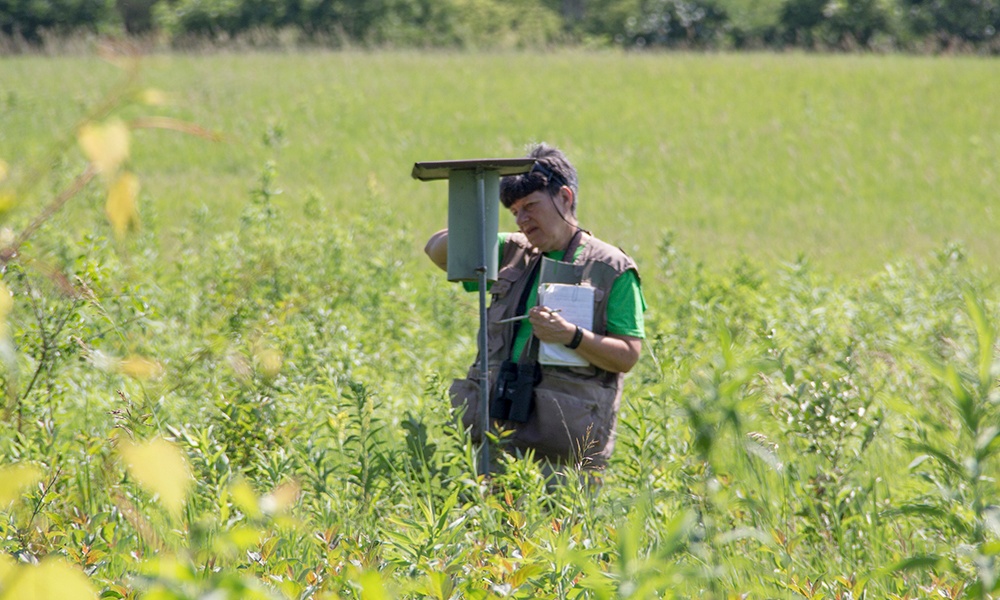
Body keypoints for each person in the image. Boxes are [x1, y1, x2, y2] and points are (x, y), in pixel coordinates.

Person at [424, 143, 646, 474]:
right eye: (514, 212)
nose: (522, 220)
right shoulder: (511, 251)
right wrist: (474, 203)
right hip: (498, 433)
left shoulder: (611, 267)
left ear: (565, 198)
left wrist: (570, 336)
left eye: (530, 206)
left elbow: (627, 354)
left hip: (564, 448)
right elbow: (437, 250)